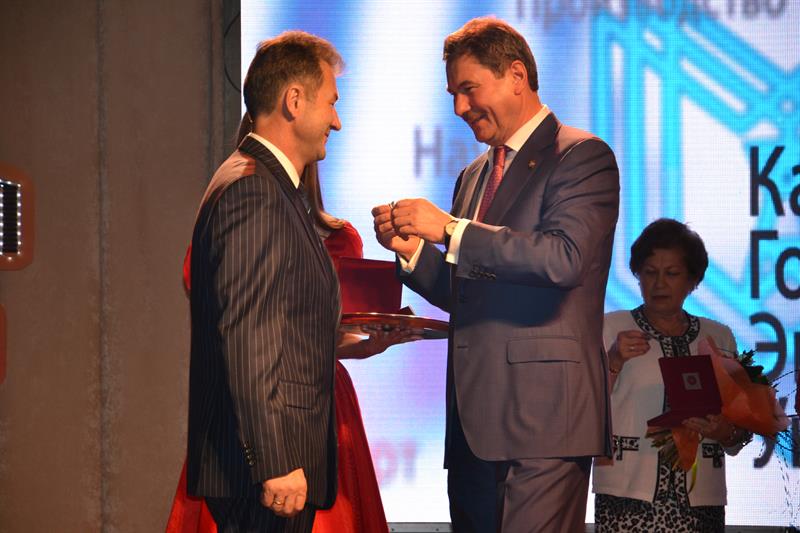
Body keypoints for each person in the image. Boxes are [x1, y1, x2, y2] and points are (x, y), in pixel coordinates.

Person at [372, 16, 620, 532]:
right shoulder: (473, 175)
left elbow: (563, 258)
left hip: (544, 426)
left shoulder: (582, 156)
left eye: (469, 89)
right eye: (453, 95)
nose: (460, 108)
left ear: (516, 75)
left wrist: (451, 229)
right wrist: (415, 253)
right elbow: (468, 293)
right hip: (472, 430)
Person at [167, 160, 403, 533]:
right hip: (251, 404)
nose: (332, 130)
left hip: (321, 403)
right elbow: (238, 333)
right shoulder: (240, 214)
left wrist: (367, 344)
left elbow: (323, 338)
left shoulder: (339, 236)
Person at [186, 31, 343, 533]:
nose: (336, 121)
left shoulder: (268, 186)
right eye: (331, 103)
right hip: (264, 473)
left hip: (266, 467)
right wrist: (274, 460)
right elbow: (247, 335)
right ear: (294, 101)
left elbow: (276, 321)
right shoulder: (254, 190)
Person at [593, 218, 750, 532]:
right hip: (626, 497)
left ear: (693, 280)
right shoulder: (609, 328)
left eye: (672, 273)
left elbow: (743, 427)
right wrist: (613, 360)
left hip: (701, 502)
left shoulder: (718, 337)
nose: (659, 283)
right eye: (649, 272)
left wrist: (725, 432)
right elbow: (582, 412)